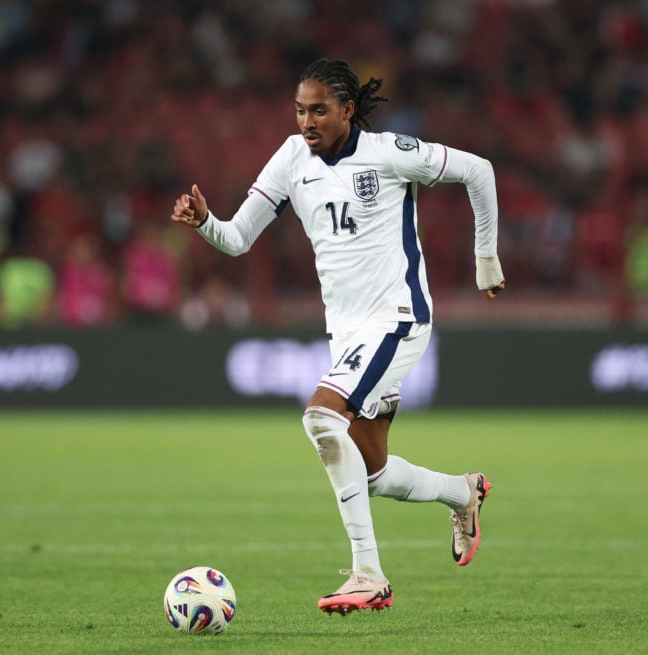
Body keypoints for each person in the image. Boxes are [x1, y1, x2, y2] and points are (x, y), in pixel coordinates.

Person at [170, 58, 505, 615]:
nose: (307, 120)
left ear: (348, 110)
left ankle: (368, 575)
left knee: (321, 419)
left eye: (319, 109)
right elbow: (237, 239)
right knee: (370, 473)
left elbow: (480, 170)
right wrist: (206, 220)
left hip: (398, 319)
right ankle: (462, 492)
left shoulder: (390, 153)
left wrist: (486, 256)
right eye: (301, 109)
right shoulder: (290, 158)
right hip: (348, 333)